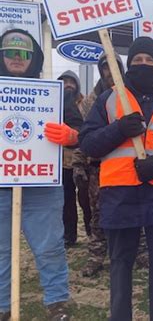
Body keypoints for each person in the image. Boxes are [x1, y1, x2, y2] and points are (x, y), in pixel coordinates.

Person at [79, 37, 153, 321]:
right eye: (137, 60)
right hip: (120, 195)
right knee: (120, 265)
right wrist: (118, 129)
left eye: (150, 60)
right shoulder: (109, 99)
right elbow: (88, 143)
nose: (143, 65)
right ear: (128, 66)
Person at [0, 29, 75, 320]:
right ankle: (4, 306)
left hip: (42, 185)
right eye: (10, 52)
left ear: (34, 58)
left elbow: (83, 130)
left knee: (50, 248)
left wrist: (71, 135)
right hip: (3, 188)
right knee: (1, 251)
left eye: (24, 54)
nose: (17, 59)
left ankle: (57, 303)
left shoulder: (52, 94)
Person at [72, 52, 125, 277]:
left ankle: (139, 252)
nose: (109, 72)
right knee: (98, 213)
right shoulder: (91, 101)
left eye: (113, 67)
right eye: (105, 67)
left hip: (126, 164)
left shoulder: (129, 95)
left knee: (131, 208)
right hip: (99, 167)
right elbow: (80, 135)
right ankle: (96, 255)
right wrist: (78, 164)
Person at [58, 70, 91, 248]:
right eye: (64, 82)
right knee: (66, 201)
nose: (68, 85)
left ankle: (92, 234)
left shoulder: (86, 104)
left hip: (83, 160)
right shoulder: (53, 104)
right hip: (62, 162)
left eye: (71, 81)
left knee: (87, 200)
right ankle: (69, 236)